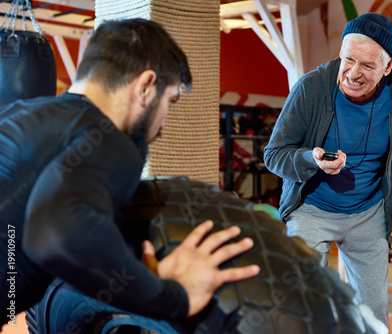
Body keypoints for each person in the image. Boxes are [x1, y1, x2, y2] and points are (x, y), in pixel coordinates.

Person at [0, 18, 259, 327]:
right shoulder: (107, 138)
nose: (163, 124)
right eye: (170, 101)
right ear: (146, 86)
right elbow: (57, 233)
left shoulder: (19, 115)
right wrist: (174, 297)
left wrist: (130, 267)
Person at [263, 13, 392, 327]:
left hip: (368, 212)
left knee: (373, 315)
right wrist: (311, 159)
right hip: (311, 209)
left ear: (388, 67)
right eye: (348, 59)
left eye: (367, 65)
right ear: (340, 52)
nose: (353, 73)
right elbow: (274, 155)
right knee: (302, 305)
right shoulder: (311, 87)